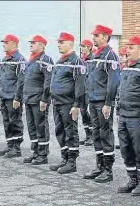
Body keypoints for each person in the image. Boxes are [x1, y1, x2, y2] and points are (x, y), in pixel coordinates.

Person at [116, 36, 140, 196]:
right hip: (124, 115)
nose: (127, 50)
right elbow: (121, 91)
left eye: (131, 47)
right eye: (127, 47)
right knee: (126, 149)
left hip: (137, 117)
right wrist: (118, 111)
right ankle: (132, 179)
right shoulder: (126, 67)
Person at [83, 25, 120, 183]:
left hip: (103, 101)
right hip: (93, 99)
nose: (94, 38)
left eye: (97, 35)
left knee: (105, 133)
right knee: (97, 133)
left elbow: (113, 81)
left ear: (105, 37)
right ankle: (99, 166)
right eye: (94, 35)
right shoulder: (94, 55)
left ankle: (108, 169)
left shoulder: (110, 55)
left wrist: (108, 102)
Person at [48, 32, 86, 174]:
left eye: (62, 42)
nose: (59, 44)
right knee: (60, 131)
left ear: (70, 43)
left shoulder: (76, 62)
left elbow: (80, 85)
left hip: (68, 103)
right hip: (57, 102)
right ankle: (64, 158)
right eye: (58, 42)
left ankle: (72, 162)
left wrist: (76, 105)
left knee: (70, 132)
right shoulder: (60, 61)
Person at [22, 35, 53, 165]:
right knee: (32, 127)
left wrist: (44, 99)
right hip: (29, 98)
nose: (31, 45)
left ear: (41, 45)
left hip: (39, 99)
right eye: (31, 43)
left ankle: (43, 154)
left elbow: (48, 81)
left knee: (41, 126)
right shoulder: (31, 60)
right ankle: (35, 152)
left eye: (34, 43)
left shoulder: (45, 59)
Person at [0, 34, 26, 158]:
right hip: (4, 96)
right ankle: (10, 146)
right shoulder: (5, 59)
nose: (4, 44)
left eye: (6, 42)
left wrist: (17, 98)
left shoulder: (19, 59)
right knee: (7, 122)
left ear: (14, 44)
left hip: (13, 97)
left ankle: (16, 148)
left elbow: (21, 80)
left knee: (15, 122)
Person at [79, 39, 94, 146]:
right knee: (83, 112)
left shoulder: (92, 59)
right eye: (81, 46)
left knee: (89, 113)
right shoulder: (81, 60)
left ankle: (93, 135)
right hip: (82, 90)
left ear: (89, 47)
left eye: (84, 46)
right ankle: (88, 134)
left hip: (89, 90)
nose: (82, 48)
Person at [114, 46, 128, 151]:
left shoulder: (128, 68)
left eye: (122, 55)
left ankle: (127, 143)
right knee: (120, 122)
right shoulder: (118, 67)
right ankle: (122, 141)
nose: (120, 57)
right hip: (119, 98)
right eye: (119, 55)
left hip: (127, 99)